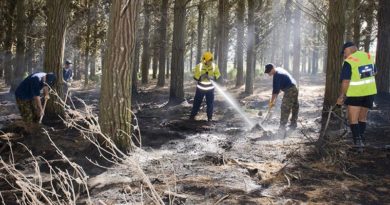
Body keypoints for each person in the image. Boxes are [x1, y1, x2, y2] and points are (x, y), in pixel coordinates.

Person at [336, 42, 377, 149]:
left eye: (344, 52)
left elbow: (346, 81)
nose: (344, 55)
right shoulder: (368, 56)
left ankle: (358, 145)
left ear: (349, 50)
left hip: (356, 94)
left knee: (353, 119)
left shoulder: (349, 61)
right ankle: (361, 140)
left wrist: (341, 96)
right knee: (362, 118)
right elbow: (374, 72)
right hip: (370, 92)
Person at [264, 64, 299, 129]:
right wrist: (273, 101)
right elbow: (276, 90)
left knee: (285, 107)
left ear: (273, 69)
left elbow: (275, 91)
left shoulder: (278, 75)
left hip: (290, 90)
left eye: (269, 71)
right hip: (294, 89)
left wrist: (271, 102)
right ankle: (293, 124)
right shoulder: (277, 73)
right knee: (295, 106)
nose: (268, 73)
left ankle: (282, 127)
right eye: (267, 72)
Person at [189, 51, 221, 121]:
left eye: (211, 60)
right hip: (200, 89)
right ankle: (192, 116)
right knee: (197, 103)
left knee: (210, 104)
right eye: (208, 60)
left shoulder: (214, 66)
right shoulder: (199, 66)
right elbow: (195, 77)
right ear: (204, 60)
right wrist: (202, 77)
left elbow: (218, 75)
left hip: (210, 90)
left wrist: (213, 77)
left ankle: (209, 118)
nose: (210, 62)